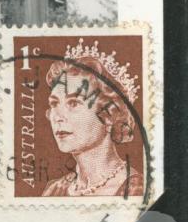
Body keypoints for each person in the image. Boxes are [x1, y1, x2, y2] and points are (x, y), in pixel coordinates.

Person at [40, 58, 143, 197]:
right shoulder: (53, 190)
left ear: (109, 115)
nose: (58, 116)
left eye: (73, 103)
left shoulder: (136, 190)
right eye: (54, 103)